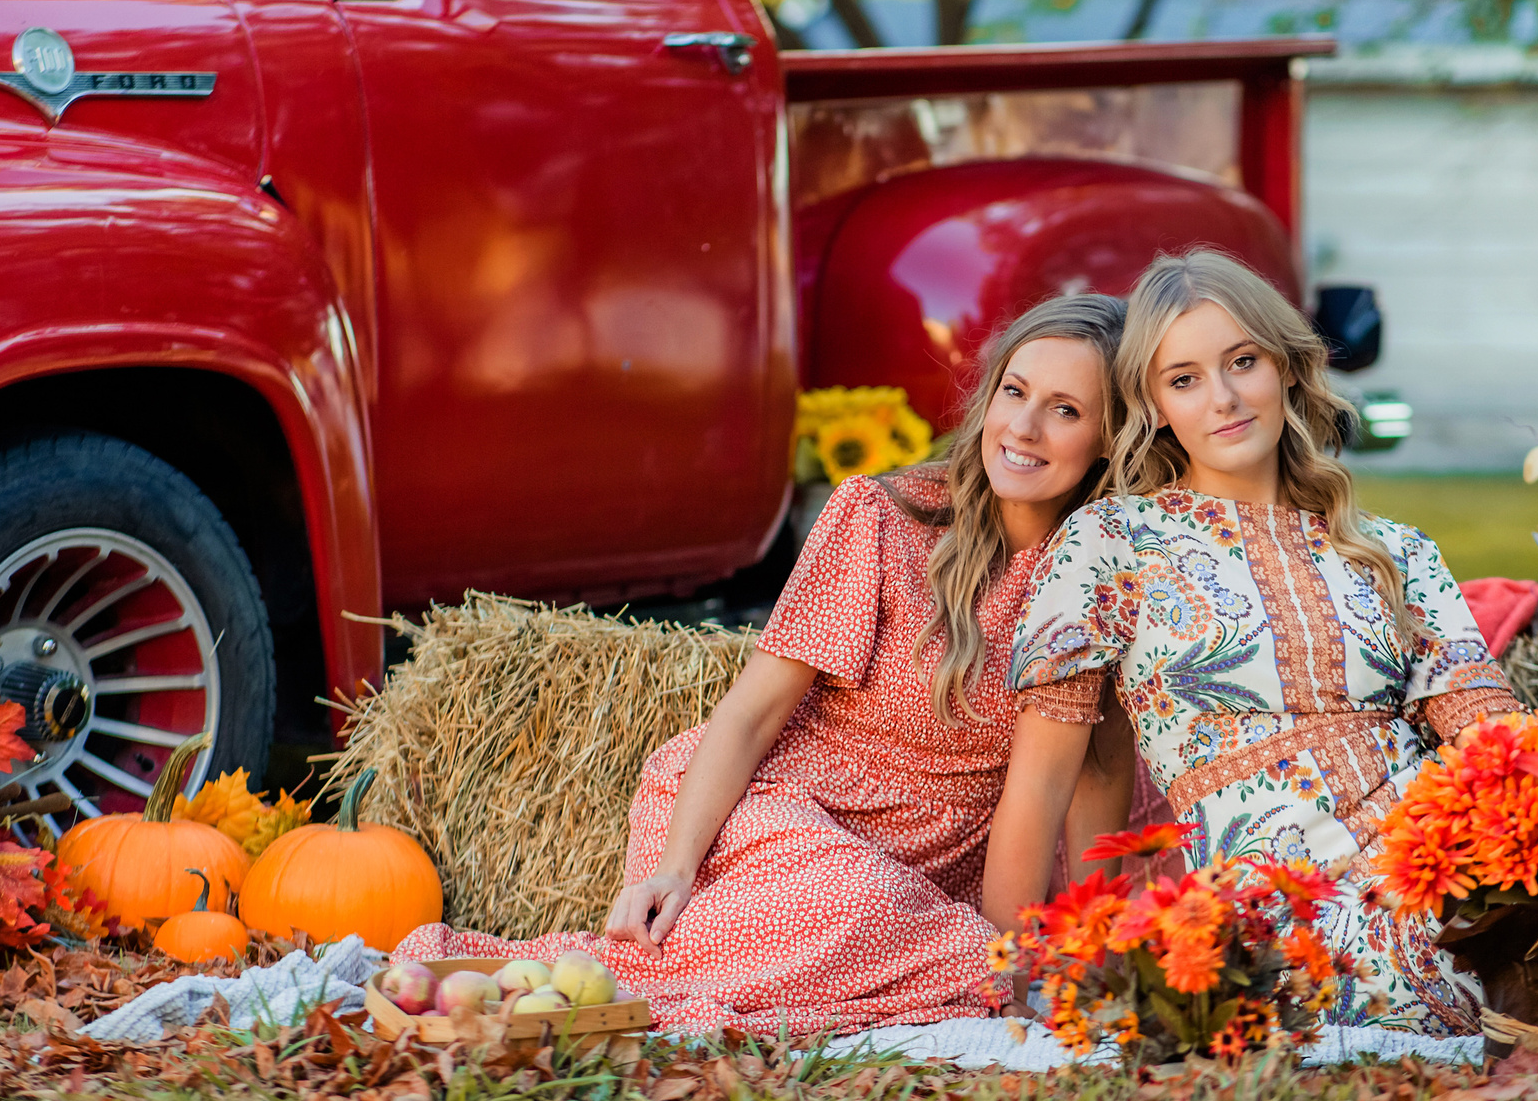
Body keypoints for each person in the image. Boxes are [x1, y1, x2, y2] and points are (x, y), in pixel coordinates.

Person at [991, 251, 1538, 1045]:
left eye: (1242, 361)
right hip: (1284, 892)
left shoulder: (1393, 549)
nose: (1222, 398)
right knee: (1496, 949)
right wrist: (1015, 973)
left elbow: (1487, 732)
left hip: (1432, 833)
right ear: (1156, 404)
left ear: (1286, 365)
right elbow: (1045, 777)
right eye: (1185, 378)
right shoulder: (1111, 542)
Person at [393, 295, 1127, 1037]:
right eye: (1015, 391)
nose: (1024, 428)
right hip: (761, 813)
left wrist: (998, 965)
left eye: (1065, 410)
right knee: (859, 900)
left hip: (911, 879)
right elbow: (751, 713)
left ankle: (550, 998)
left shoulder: (1081, 586)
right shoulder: (882, 515)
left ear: (1109, 437)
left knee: (940, 940)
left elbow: (1037, 798)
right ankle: (524, 987)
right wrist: (674, 868)